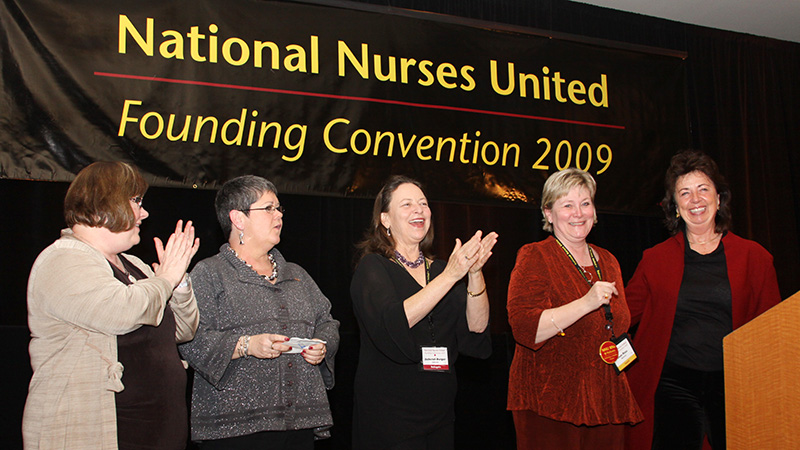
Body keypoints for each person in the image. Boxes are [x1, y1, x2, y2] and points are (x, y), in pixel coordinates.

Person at [22, 161, 200, 450]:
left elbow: (183, 330)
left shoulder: (136, 265)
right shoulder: (62, 259)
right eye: (136, 201)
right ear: (105, 200)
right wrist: (166, 277)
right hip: (98, 434)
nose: (145, 212)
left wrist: (178, 283)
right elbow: (121, 312)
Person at [625, 150, 781, 450]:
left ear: (719, 199)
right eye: (684, 193)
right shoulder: (655, 259)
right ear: (675, 207)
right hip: (674, 384)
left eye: (703, 189)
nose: (695, 200)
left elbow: (773, 331)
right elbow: (621, 315)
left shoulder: (756, 258)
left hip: (736, 385)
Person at [178, 175, 339, 450]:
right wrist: (246, 345)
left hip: (298, 422)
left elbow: (327, 321)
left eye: (279, 209)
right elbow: (189, 340)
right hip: (234, 430)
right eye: (268, 208)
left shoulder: (296, 274)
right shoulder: (209, 274)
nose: (278, 215)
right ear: (238, 219)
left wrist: (322, 345)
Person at [350, 174, 498, 450]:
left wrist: (475, 274)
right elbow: (390, 323)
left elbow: (475, 330)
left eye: (423, 203)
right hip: (390, 416)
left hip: (440, 415)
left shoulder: (440, 269)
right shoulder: (373, 267)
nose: (418, 209)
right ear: (385, 220)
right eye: (406, 205)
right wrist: (453, 275)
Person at [507, 168, 643, 449]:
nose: (578, 213)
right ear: (548, 213)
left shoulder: (608, 260)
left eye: (585, 203)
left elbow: (618, 324)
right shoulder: (535, 255)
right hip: (550, 402)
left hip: (605, 398)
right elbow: (525, 329)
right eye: (567, 205)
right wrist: (585, 304)